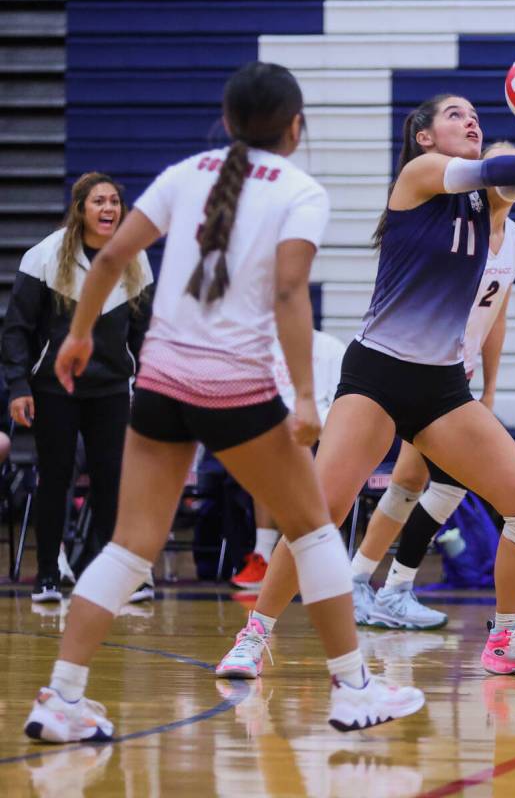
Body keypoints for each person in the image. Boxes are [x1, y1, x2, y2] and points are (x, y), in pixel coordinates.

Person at [23, 62, 424, 744]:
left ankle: (62, 697)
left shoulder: (187, 172)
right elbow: (289, 293)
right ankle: (355, 687)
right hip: (235, 387)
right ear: (296, 127)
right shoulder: (301, 191)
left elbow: (112, 258)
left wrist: (80, 334)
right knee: (315, 531)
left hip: (158, 384)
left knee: (128, 547)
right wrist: (303, 395)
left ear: (227, 117)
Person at [218, 94, 515, 681]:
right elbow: (497, 169)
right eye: (455, 115)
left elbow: (504, 181)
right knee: (321, 513)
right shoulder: (419, 175)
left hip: (443, 386)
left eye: (476, 115)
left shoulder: (488, 202)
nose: (471, 120)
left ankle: (506, 640)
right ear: (424, 136)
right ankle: (253, 637)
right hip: (377, 373)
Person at [352, 141, 515, 630]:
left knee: (415, 481)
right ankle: (382, 586)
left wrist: (490, 388)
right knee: (441, 481)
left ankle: (370, 583)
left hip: (457, 376)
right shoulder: (455, 229)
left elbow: (496, 318)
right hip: (419, 366)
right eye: (501, 164)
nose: (510, 173)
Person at [1, 172, 154, 603]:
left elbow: (145, 332)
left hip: (110, 388)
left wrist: (148, 384)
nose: (108, 209)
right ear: (80, 209)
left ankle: (119, 580)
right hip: (54, 388)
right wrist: (17, 386)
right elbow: (16, 329)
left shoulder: (133, 258)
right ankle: (47, 575)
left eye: (114, 202)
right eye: (98, 202)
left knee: (113, 483)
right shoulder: (44, 256)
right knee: (55, 479)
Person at [231, 328, 345, 589]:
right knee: (264, 459)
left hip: (319, 434)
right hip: (272, 435)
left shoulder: (330, 347)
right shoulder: (260, 348)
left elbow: (341, 403)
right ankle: (264, 557)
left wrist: (310, 423)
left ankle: (303, 557)